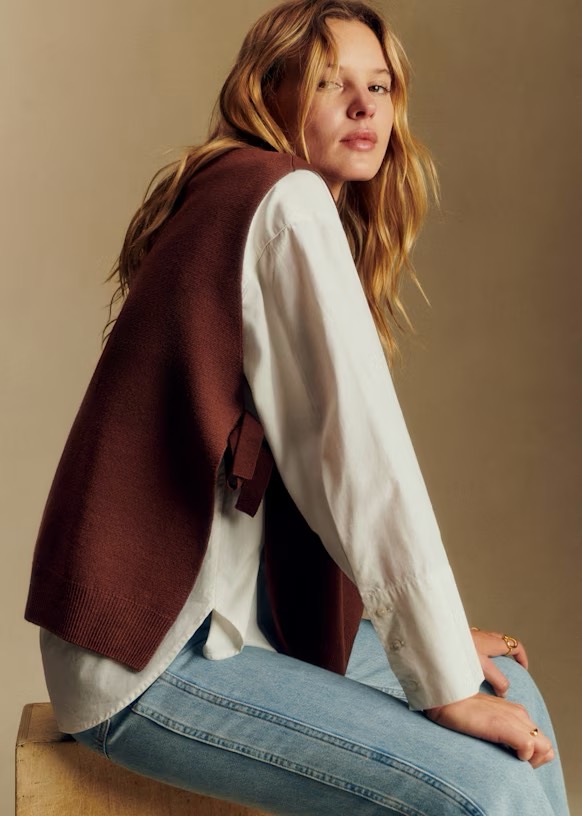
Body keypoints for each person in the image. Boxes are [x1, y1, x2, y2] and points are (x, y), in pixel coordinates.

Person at [25, 1, 570, 813]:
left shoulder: (248, 191)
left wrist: (437, 641)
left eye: (378, 86)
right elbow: (359, 467)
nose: (364, 107)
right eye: (329, 82)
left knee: (514, 690)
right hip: (151, 657)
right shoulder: (284, 201)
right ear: (271, 91)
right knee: (489, 790)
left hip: (234, 625)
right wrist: (444, 675)